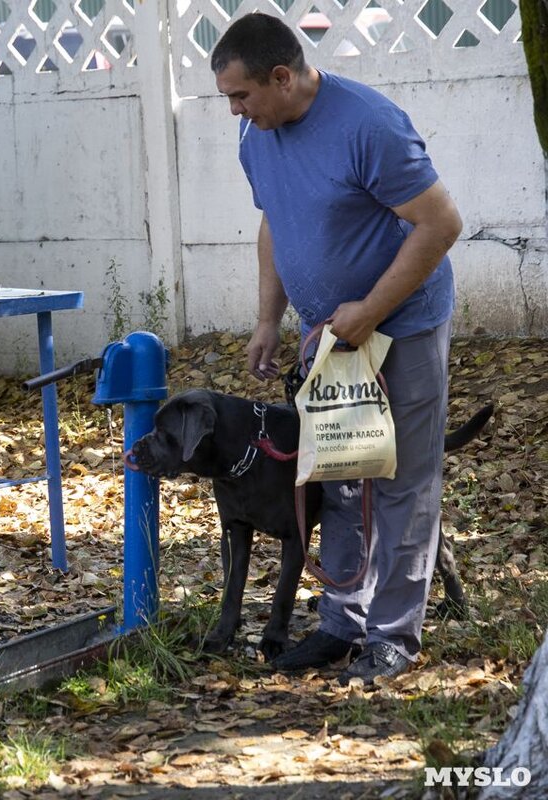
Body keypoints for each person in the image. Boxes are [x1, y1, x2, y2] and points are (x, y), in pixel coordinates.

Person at [209, 13, 463, 684]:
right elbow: (275, 222)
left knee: (402, 480)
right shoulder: (256, 135)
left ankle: (393, 639)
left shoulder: (368, 125)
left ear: (282, 77)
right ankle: (340, 626)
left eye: (240, 96)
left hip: (400, 328)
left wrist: (370, 310)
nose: (234, 110)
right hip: (328, 338)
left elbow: (441, 224)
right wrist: (270, 318)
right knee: (341, 476)